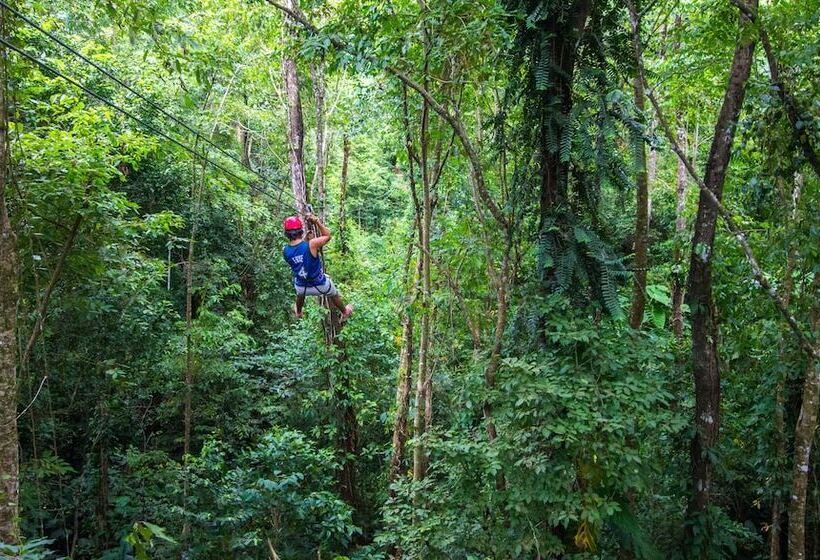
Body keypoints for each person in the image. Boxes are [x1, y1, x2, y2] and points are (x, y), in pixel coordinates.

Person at [282, 213, 353, 320]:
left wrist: (307, 240)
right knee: (333, 293)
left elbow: (298, 254)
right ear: (300, 230)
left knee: (299, 293)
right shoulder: (312, 244)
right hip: (321, 285)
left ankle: (299, 312)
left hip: (302, 287)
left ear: (286, 233)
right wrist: (316, 221)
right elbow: (328, 235)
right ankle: (344, 311)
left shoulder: (285, 251)